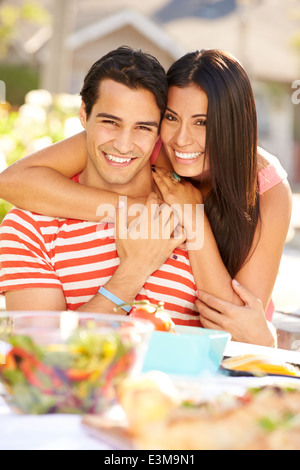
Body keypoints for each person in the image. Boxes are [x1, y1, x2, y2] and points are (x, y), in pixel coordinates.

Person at [0, 48, 287, 346]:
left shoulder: (263, 188)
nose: (183, 139)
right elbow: (43, 356)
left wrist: (193, 218)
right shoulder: (150, 145)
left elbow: (239, 328)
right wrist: (136, 218)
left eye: (202, 122)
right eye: (172, 118)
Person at [0, 47, 194, 322]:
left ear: (159, 131)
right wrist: (132, 273)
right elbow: (45, 354)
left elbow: (235, 334)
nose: (124, 145)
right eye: (110, 122)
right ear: (83, 115)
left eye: (143, 127)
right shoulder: (29, 227)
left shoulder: (186, 207)